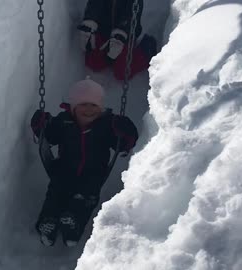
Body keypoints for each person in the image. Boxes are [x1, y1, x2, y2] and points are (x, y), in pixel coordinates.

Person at [30, 79, 139, 247]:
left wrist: (126, 133)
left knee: (86, 198)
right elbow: (50, 136)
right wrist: (41, 126)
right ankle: (47, 224)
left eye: (94, 106)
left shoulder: (107, 125)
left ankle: (73, 227)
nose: (89, 110)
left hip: (93, 172)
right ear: (73, 107)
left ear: (100, 108)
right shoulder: (64, 121)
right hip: (64, 169)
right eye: (83, 105)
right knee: (55, 193)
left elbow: (123, 145)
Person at [77, 0, 158, 80]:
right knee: (93, 61)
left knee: (123, 71)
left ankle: (145, 50)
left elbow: (131, 15)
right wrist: (89, 23)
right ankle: (109, 55)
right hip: (104, 30)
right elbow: (94, 5)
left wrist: (120, 35)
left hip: (125, 34)